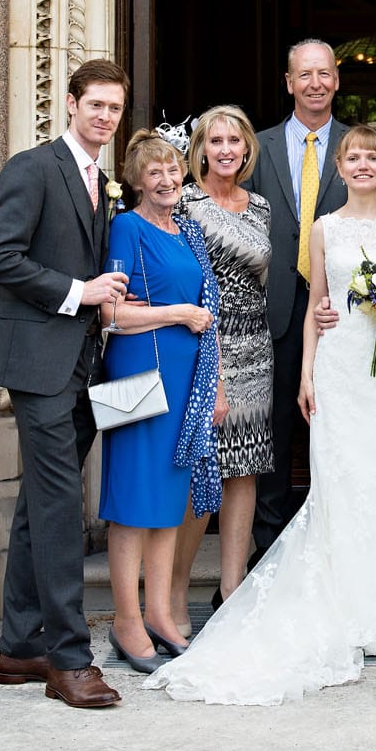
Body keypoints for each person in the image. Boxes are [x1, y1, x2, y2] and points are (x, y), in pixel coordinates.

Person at [146, 126, 376, 704]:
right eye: (352, 157)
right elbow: (314, 305)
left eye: (372, 157)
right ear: (342, 167)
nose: (361, 165)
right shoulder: (323, 228)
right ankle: (335, 603)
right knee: (337, 483)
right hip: (338, 366)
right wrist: (305, 372)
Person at [0, 58, 130, 710]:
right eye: (94, 104)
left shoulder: (100, 180)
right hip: (37, 362)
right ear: (70, 104)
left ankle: (20, 647)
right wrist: (79, 292)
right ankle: (70, 661)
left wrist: (103, 304)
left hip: (79, 364)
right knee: (65, 506)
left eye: (115, 109)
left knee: (42, 509)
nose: (104, 116)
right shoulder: (33, 167)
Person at [98, 130, 221, 673]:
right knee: (131, 501)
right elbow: (112, 315)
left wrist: (213, 382)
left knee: (170, 500)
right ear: (136, 181)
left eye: (174, 171)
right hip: (134, 377)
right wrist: (177, 314)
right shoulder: (127, 226)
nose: (168, 180)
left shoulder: (190, 230)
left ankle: (159, 615)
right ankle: (125, 622)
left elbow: (206, 308)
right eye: (155, 173)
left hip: (185, 378)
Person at [170, 105, 273, 631]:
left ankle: (231, 592)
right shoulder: (183, 204)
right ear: (201, 150)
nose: (226, 149)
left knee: (244, 469)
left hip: (256, 345)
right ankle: (177, 592)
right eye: (216, 141)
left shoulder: (259, 207)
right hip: (204, 345)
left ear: (246, 147)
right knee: (202, 472)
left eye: (235, 139)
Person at [246, 39, 348, 561]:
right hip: (274, 316)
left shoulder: (358, 145)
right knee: (273, 441)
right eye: (304, 74)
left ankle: (331, 556)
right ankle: (266, 559)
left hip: (343, 323)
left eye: (323, 73)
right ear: (288, 83)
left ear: (336, 79)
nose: (314, 83)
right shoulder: (255, 148)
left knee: (337, 441)